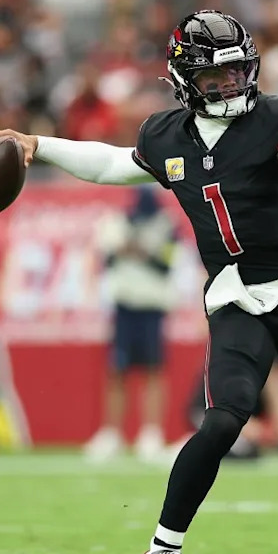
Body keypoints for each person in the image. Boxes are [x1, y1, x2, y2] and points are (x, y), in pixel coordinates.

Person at [0, 10, 278, 554]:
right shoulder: (167, 135)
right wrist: (37, 144)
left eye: (238, 71)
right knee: (224, 420)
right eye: (214, 77)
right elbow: (115, 163)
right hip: (235, 296)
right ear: (183, 79)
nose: (230, 85)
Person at [85, 185, 178, 463]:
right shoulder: (116, 222)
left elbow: (168, 263)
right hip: (124, 304)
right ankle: (111, 433)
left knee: (153, 370)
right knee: (117, 370)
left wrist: (142, 251)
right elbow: (108, 257)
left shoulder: (167, 225)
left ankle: (151, 433)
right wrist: (127, 247)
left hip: (152, 306)